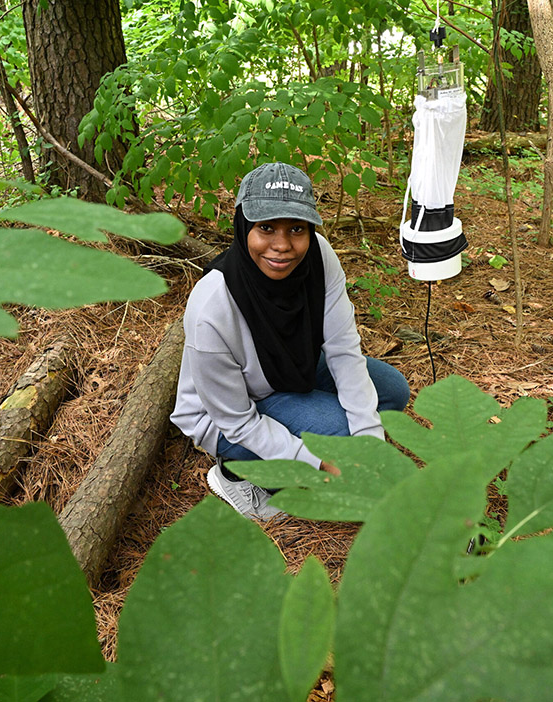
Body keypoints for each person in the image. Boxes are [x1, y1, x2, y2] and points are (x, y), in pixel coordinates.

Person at [170, 162, 410, 520]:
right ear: (243, 226)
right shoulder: (212, 308)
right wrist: (321, 462)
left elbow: (343, 351)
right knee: (341, 438)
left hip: (290, 367)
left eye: (296, 229)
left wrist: (371, 445)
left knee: (392, 392)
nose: (282, 246)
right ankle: (236, 474)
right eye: (266, 228)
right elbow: (237, 421)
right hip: (229, 413)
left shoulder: (320, 257)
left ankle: (310, 436)